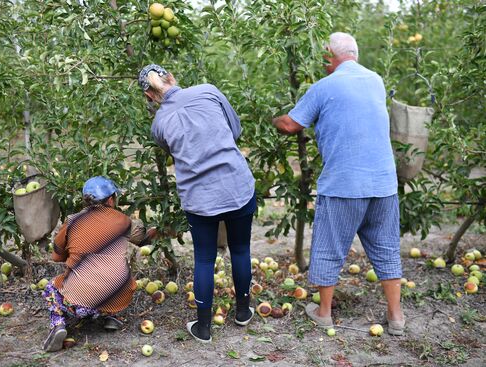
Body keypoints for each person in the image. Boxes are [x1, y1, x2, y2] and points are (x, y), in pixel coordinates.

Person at [271, 32, 404, 335]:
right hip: (383, 183)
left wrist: (274, 120)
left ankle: (324, 313)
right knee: (386, 248)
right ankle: (397, 318)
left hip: (344, 184)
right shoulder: (376, 81)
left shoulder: (324, 87)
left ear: (331, 55)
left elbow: (292, 125)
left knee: (329, 248)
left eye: (324, 55)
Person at [138, 64, 256, 343]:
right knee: (240, 249)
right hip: (236, 185)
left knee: (204, 258)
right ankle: (242, 312)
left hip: (200, 197)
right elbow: (235, 131)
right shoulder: (208, 92)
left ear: (149, 96)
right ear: (172, 77)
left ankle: (203, 328)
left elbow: (176, 152)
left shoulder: (159, 125)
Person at [42, 176, 156, 352]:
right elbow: (142, 239)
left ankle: (58, 325)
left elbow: (57, 257)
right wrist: (160, 229)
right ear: (111, 199)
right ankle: (111, 316)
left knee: (51, 288)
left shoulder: (73, 221)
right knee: (116, 270)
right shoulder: (124, 221)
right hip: (117, 298)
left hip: (79, 304)